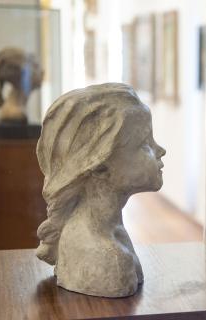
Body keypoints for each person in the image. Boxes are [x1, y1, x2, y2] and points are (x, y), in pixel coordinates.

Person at [35, 83, 166, 297]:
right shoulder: (109, 258)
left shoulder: (115, 235)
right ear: (100, 166)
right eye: (144, 143)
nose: (160, 150)